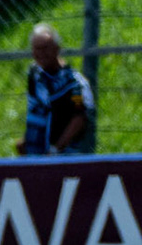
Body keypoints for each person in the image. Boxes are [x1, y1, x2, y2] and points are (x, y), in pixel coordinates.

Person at [18, 24, 96, 155]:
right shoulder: (34, 75)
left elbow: (80, 118)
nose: (42, 53)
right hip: (36, 153)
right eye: (37, 49)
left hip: (65, 154)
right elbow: (35, 109)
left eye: (46, 48)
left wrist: (56, 149)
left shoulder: (75, 83)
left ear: (57, 49)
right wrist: (26, 141)